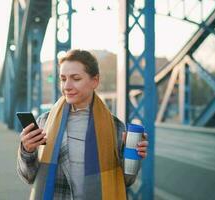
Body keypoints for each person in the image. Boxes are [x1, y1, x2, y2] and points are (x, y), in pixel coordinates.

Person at [17, 49, 148, 200]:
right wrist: (27, 150)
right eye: (63, 79)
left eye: (76, 78)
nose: (67, 86)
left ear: (95, 81)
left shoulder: (115, 127)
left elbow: (128, 180)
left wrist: (132, 155)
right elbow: (28, 176)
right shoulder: (44, 122)